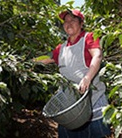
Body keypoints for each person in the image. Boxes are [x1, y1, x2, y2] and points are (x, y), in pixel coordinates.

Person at [37, 9, 111, 138]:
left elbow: (97, 56)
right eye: (65, 21)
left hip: (92, 101)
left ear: (81, 23)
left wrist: (87, 78)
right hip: (71, 105)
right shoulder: (61, 48)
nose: (68, 23)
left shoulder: (88, 38)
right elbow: (44, 60)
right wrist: (24, 63)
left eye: (73, 20)